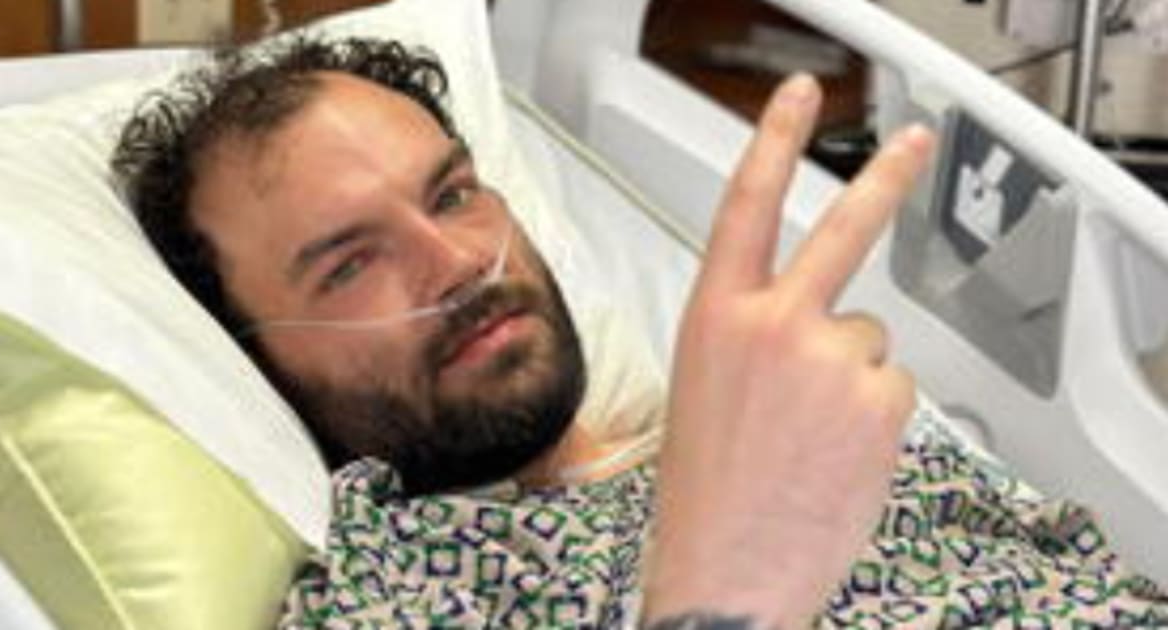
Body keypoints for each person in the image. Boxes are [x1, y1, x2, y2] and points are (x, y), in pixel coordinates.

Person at [112, 37, 1168, 628]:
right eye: (348, 263)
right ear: (253, 352)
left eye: (452, 195)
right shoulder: (402, 591)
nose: (458, 263)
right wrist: (722, 594)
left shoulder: (803, 426)